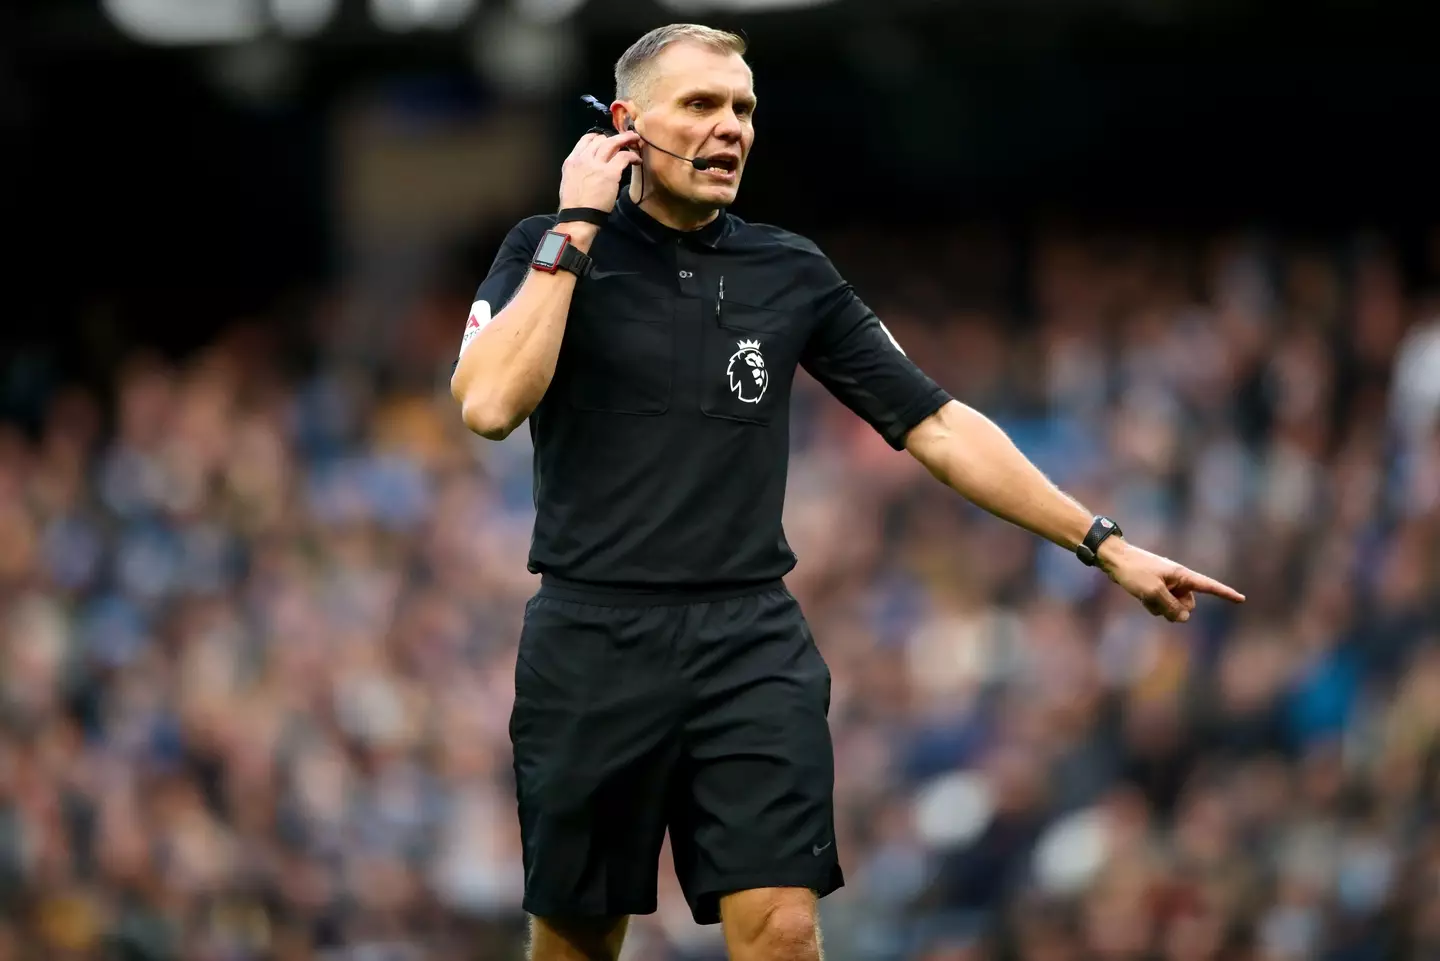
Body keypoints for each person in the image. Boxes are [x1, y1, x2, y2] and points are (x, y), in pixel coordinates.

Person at [449, 23, 1246, 961]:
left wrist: (1105, 542)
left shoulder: (789, 271)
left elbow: (938, 424)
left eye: (744, 108)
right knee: (579, 939)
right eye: (702, 105)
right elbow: (491, 403)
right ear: (627, 123)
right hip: (591, 641)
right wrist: (576, 229)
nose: (732, 128)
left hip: (748, 640)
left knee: (785, 926)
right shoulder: (545, 247)